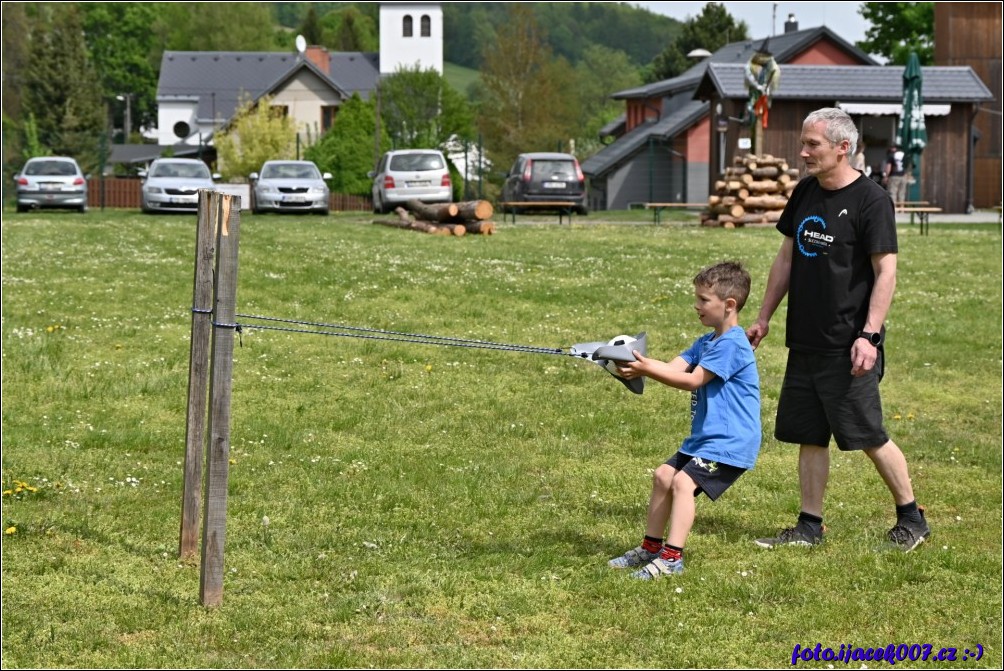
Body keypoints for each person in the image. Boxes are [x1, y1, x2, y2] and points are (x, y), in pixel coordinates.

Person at [746, 107, 930, 553]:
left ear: (842, 148)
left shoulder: (872, 199)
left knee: (867, 434)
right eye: (805, 143)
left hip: (849, 344)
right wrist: (765, 316)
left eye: (813, 145)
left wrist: (869, 335)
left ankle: (912, 519)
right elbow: (787, 258)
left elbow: (886, 272)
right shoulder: (806, 191)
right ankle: (810, 526)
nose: (803, 152)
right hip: (804, 340)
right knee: (809, 435)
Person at [608, 261, 761, 579]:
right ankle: (651, 548)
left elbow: (692, 380)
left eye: (704, 300)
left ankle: (672, 559)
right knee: (664, 475)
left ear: (729, 305)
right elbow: (675, 368)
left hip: (730, 442)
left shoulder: (733, 345)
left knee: (682, 482)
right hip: (705, 439)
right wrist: (629, 362)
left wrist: (644, 367)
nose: (697, 305)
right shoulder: (706, 342)